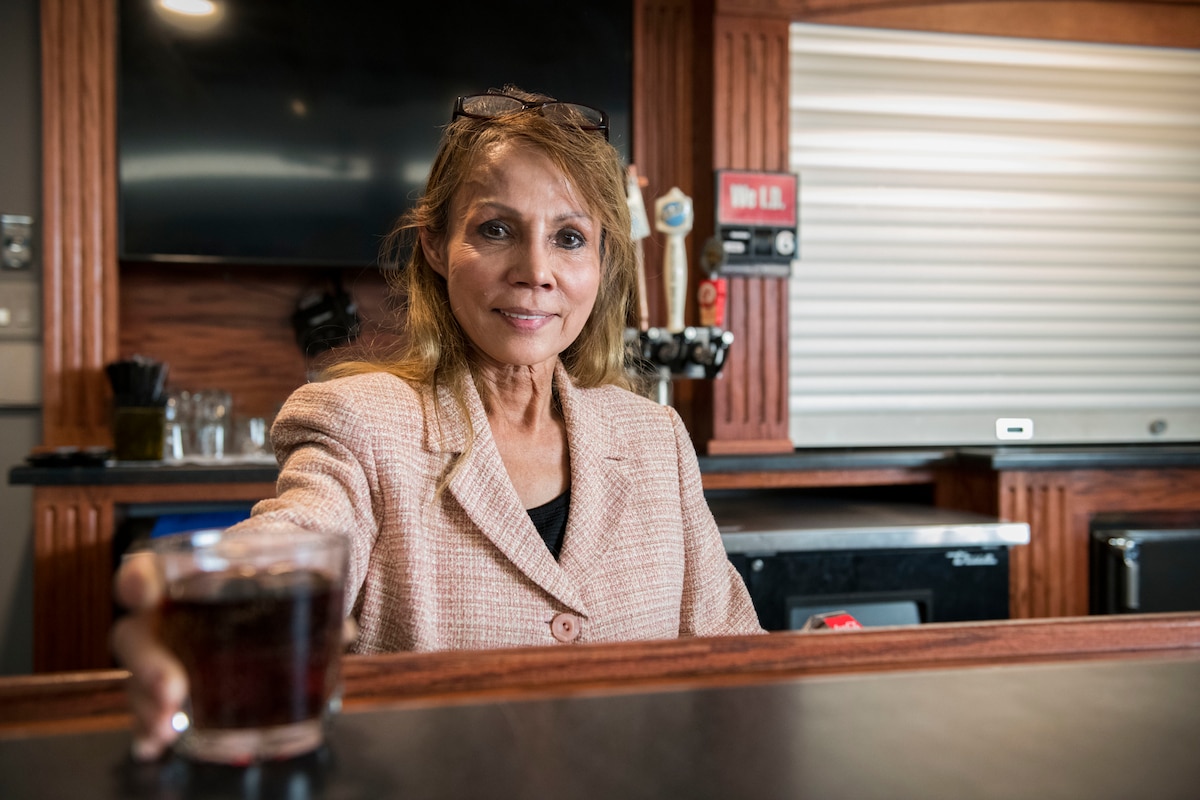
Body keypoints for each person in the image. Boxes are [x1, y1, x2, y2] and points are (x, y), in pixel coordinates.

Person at [111, 85, 764, 760]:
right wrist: (218, 613)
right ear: (434, 245)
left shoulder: (656, 438)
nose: (536, 271)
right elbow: (298, 543)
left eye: (569, 238)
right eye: (496, 229)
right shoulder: (360, 424)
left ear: (600, 263)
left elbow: (736, 658)